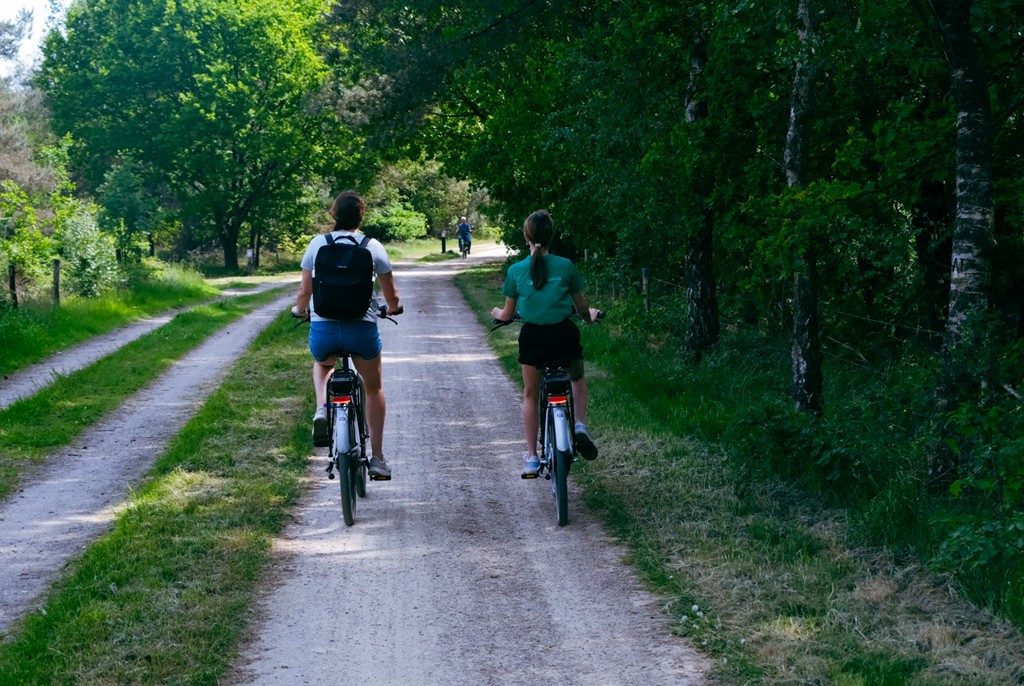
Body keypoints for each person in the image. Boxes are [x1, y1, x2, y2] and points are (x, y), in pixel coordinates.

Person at [292, 191, 402, 479]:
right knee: (373, 387)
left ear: (334, 214)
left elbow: (305, 292)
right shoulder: (373, 246)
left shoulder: (318, 244)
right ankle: (377, 458)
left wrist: (300, 310)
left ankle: (322, 408)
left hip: (324, 329)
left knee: (323, 364)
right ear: (361, 216)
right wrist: (393, 308)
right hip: (361, 330)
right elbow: (391, 296)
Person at [491, 209, 600, 477]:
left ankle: (531, 456)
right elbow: (582, 308)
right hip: (564, 334)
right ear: (552, 235)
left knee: (530, 394)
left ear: (526, 236)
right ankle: (579, 426)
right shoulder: (566, 266)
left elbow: (506, 314)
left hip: (533, 338)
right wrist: (590, 317)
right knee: (576, 378)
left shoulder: (516, 270)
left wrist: (497, 314)